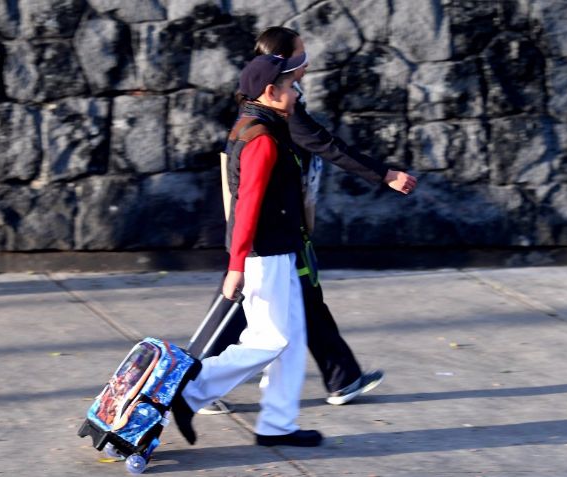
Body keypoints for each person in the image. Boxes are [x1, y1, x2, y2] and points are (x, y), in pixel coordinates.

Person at [198, 26, 418, 414]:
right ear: (275, 81)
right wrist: (385, 174)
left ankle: (340, 377)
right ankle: (194, 382)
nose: (306, 62)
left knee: (302, 299)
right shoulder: (275, 122)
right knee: (245, 311)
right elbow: (325, 148)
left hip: (282, 230)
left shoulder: (269, 103)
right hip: (270, 237)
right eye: (300, 54)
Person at [172, 53, 323, 448]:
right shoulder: (261, 138)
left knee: (291, 337)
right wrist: (236, 265)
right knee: (268, 340)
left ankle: (277, 424)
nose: (297, 94)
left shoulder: (263, 124)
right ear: (271, 92)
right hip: (263, 254)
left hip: (279, 248)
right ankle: (190, 392)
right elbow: (247, 205)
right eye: (291, 87)